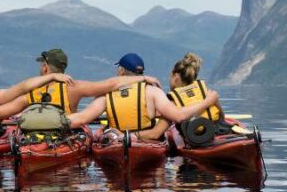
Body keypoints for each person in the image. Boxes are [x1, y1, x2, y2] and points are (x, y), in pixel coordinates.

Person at [0, 48, 161, 121]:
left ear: (45, 68)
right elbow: (111, 84)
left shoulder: (32, 90)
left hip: (35, 141)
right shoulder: (75, 86)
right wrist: (142, 78)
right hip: (65, 139)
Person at [68, 52, 219, 134]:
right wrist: (208, 101)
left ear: (121, 70)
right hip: (146, 143)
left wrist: (51, 120)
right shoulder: (154, 92)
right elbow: (179, 116)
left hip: (118, 143)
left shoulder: (106, 96)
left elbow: (79, 120)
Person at [129, 52, 224, 141]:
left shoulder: (173, 103)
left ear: (175, 76)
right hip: (218, 133)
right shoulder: (208, 93)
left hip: (198, 141)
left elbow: (155, 134)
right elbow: (221, 118)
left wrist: (133, 135)